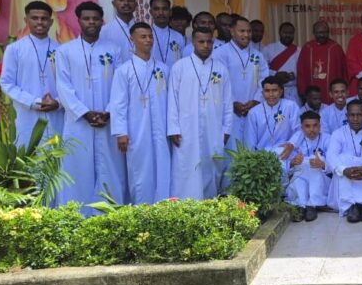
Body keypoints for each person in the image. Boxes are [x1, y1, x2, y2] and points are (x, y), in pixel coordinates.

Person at [55, 1, 125, 213]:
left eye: (95, 19)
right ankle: (77, 214)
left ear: (102, 21)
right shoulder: (65, 51)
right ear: (79, 21)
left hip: (107, 120)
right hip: (78, 122)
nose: (91, 22)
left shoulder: (114, 49)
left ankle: (109, 214)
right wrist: (84, 113)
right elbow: (63, 87)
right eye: (87, 18)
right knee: (77, 168)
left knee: (110, 169)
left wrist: (109, 111)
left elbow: (120, 86)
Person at [167, 27, 233, 199]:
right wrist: (173, 128)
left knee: (212, 165)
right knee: (186, 166)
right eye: (201, 41)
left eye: (209, 41)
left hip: (214, 128)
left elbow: (227, 102)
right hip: (186, 128)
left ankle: (209, 203)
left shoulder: (221, 68)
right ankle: (185, 204)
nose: (205, 45)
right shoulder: (180, 67)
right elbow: (172, 100)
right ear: (193, 43)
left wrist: (226, 129)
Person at [108, 22, 170, 204]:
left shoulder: (163, 69)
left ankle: (164, 207)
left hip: (161, 128)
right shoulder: (124, 70)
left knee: (162, 168)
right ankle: (142, 209)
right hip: (136, 130)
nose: (148, 40)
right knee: (139, 171)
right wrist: (121, 132)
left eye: (150, 36)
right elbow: (118, 103)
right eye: (143, 37)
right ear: (132, 39)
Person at [0, 1, 63, 147]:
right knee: (30, 155)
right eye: (35, 18)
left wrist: (58, 102)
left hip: (56, 115)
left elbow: (68, 83)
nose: (39, 22)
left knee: (58, 156)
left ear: (51, 22)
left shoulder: (61, 50)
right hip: (27, 115)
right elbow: (6, 83)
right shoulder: (14, 49)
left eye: (44, 18)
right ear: (26, 20)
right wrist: (33, 101)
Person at [213, 17, 269, 150]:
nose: (246, 35)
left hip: (252, 109)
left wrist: (256, 100)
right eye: (242, 31)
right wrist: (232, 103)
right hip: (228, 110)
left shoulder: (258, 55)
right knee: (230, 149)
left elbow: (264, 79)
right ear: (232, 31)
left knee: (251, 147)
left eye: (249, 31)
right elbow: (216, 81)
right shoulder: (220, 53)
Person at [246, 76, 300, 183]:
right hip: (262, 155)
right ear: (262, 93)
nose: (271, 94)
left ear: (281, 91)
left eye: (274, 90)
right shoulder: (254, 112)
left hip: (286, 152)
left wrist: (291, 145)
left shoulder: (291, 106)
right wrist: (252, 160)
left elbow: (299, 129)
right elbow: (250, 140)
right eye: (267, 91)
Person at [286, 111, 330, 222]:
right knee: (301, 167)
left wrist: (322, 164)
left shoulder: (328, 139)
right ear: (302, 127)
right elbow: (287, 164)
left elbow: (335, 162)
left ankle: (312, 205)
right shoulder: (296, 140)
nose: (312, 129)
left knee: (313, 167)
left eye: (315, 126)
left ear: (320, 126)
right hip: (301, 178)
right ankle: (301, 205)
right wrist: (293, 162)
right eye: (307, 126)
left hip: (322, 181)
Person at [296, 20, 346, 104]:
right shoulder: (307, 48)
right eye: (319, 32)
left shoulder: (335, 48)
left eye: (325, 32)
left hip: (331, 96)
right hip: (311, 92)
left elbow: (343, 71)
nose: (322, 35)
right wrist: (302, 90)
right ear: (314, 33)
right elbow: (301, 71)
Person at [262, 22, 301, 106]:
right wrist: (276, 74)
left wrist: (294, 75)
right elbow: (262, 70)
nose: (288, 35)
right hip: (274, 91)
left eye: (290, 33)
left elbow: (303, 70)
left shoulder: (299, 50)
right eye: (285, 32)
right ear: (280, 33)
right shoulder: (268, 49)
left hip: (294, 91)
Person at [100, 0, 137, 64]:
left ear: (135, 4)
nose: (126, 3)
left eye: (130, 0)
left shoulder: (144, 30)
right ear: (114, 4)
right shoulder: (104, 31)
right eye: (121, 0)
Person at [150, 0, 185, 68]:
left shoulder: (178, 36)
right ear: (151, 12)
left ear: (170, 12)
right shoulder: (145, 35)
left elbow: (182, 61)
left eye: (164, 9)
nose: (161, 13)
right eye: (156, 9)